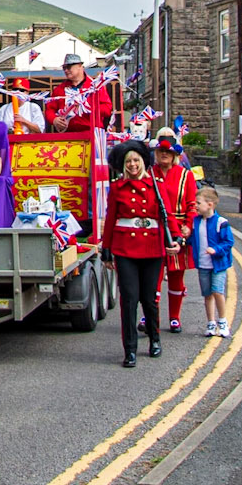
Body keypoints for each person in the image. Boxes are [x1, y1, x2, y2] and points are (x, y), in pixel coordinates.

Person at [101, 148, 168, 368]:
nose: (132, 165)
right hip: (125, 248)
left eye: (136, 160)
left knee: (149, 299)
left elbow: (166, 215)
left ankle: (155, 339)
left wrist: (175, 239)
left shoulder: (156, 185)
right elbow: (110, 218)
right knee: (129, 300)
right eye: (129, 161)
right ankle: (130, 350)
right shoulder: (117, 188)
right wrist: (106, 249)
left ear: (143, 162)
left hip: (152, 246)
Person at [150, 132, 197, 331]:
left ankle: (174, 317)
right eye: (161, 151)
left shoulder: (185, 175)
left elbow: (192, 204)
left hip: (177, 231)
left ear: (175, 155)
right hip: (154, 230)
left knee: (176, 275)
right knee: (152, 277)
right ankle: (150, 317)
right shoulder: (149, 173)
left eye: (168, 152)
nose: (164, 155)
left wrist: (188, 225)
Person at [190, 186, 235, 337]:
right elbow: (193, 240)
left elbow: (228, 242)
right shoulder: (196, 221)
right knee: (207, 294)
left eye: (198, 203)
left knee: (217, 291)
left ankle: (222, 321)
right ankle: (211, 322)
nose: (195, 206)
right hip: (203, 264)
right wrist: (184, 238)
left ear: (209, 204)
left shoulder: (221, 222)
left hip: (218, 265)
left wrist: (215, 250)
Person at [45, 53, 113, 133]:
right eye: (64, 68)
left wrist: (86, 107)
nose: (66, 70)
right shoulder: (59, 89)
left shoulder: (96, 87)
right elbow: (49, 109)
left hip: (92, 133)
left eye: (69, 67)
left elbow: (107, 109)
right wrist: (54, 119)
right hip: (68, 134)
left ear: (80, 66)